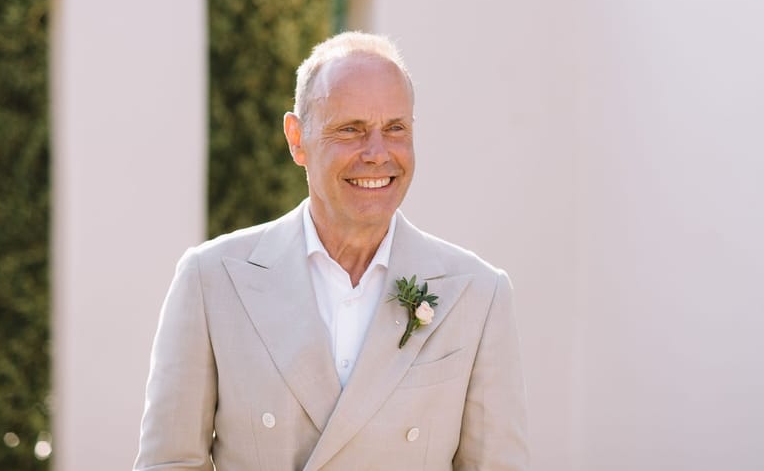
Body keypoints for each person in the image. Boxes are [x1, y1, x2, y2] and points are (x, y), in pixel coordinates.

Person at [134, 32, 529, 470]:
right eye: (351, 130)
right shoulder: (211, 280)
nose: (377, 153)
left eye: (395, 128)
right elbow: (169, 464)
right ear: (297, 138)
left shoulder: (478, 294)